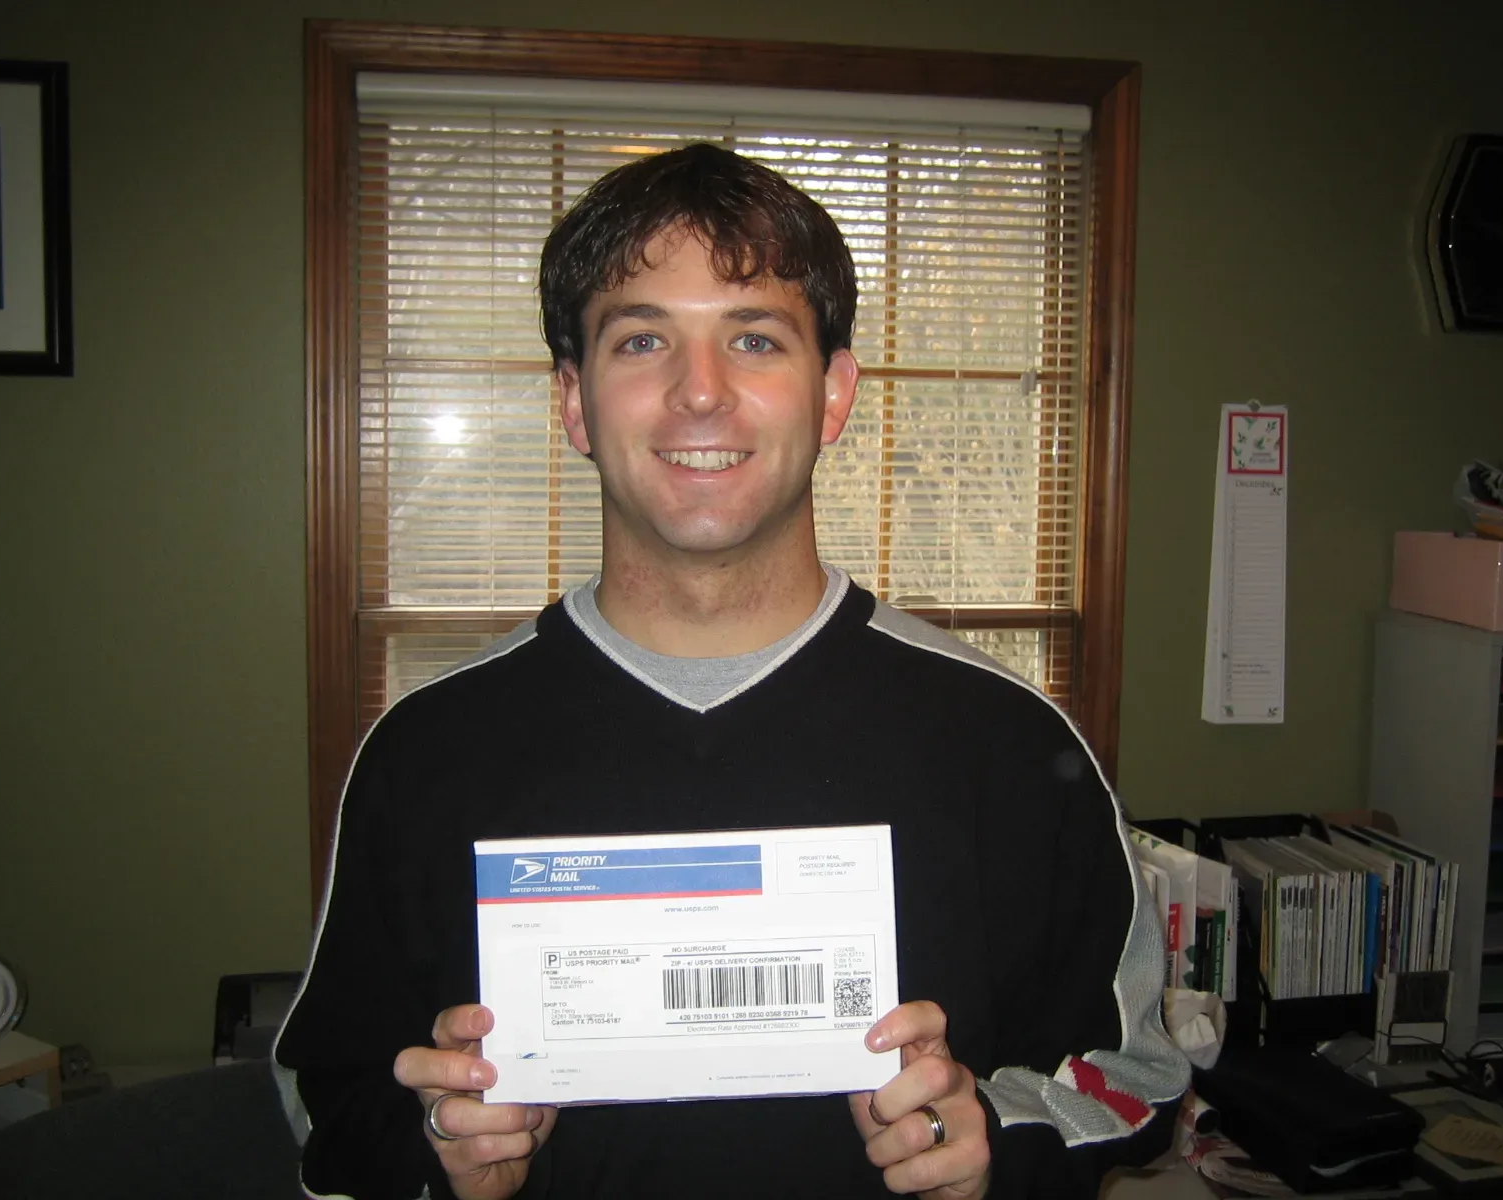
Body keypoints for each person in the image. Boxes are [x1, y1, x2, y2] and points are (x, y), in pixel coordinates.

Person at [274, 142, 1190, 1200]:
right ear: (573, 402)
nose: (699, 393)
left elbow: (1138, 1077)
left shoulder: (1008, 742)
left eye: (754, 339)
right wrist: (431, 1144)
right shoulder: (426, 752)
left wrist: (996, 1136)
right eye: (641, 340)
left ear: (832, 395)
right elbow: (320, 1098)